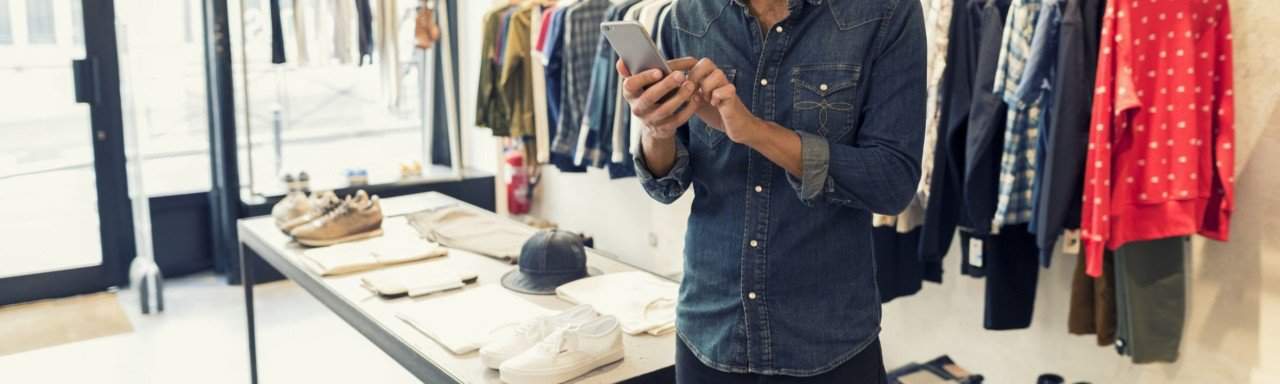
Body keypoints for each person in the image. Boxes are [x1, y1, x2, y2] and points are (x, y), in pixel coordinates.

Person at [622, 0, 926, 382]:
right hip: (709, 335)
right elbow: (665, 185)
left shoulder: (886, 11)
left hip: (828, 344)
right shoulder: (686, 16)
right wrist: (656, 131)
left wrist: (755, 132)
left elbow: (892, 182)